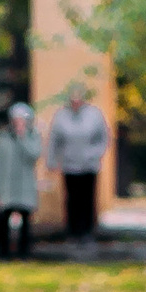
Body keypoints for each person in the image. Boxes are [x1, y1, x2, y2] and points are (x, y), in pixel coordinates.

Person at [43, 77, 110, 238]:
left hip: (89, 165)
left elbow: (104, 138)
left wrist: (95, 154)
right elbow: (54, 140)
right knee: (72, 199)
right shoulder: (61, 116)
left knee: (88, 198)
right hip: (69, 165)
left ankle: (88, 229)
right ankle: (72, 230)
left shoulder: (94, 115)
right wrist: (51, 161)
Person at [0, 98, 40, 258]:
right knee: (3, 219)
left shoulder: (33, 137)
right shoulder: (1, 139)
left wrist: (22, 138)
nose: (18, 123)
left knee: (25, 221)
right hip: (5, 187)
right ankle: (3, 252)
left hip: (25, 187)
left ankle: (24, 252)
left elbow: (34, 155)